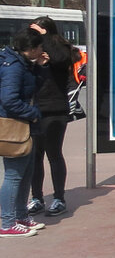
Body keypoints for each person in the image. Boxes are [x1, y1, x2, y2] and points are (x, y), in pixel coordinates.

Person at [27, 16, 83, 217]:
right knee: (35, 157)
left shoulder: (60, 49)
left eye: (40, 31)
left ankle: (59, 198)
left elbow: (60, 59)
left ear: (48, 32)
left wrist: (46, 38)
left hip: (56, 110)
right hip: (35, 110)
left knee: (54, 154)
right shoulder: (34, 50)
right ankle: (37, 198)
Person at [1, 28, 48, 238]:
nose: (42, 50)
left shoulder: (23, 64)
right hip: (15, 125)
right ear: (30, 48)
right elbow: (9, 100)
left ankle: (20, 215)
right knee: (14, 175)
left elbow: (31, 87)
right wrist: (33, 113)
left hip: (25, 125)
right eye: (39, 47)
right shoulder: (13, 67)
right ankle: (7, 221)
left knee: (26, 172)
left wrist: (39, 68)